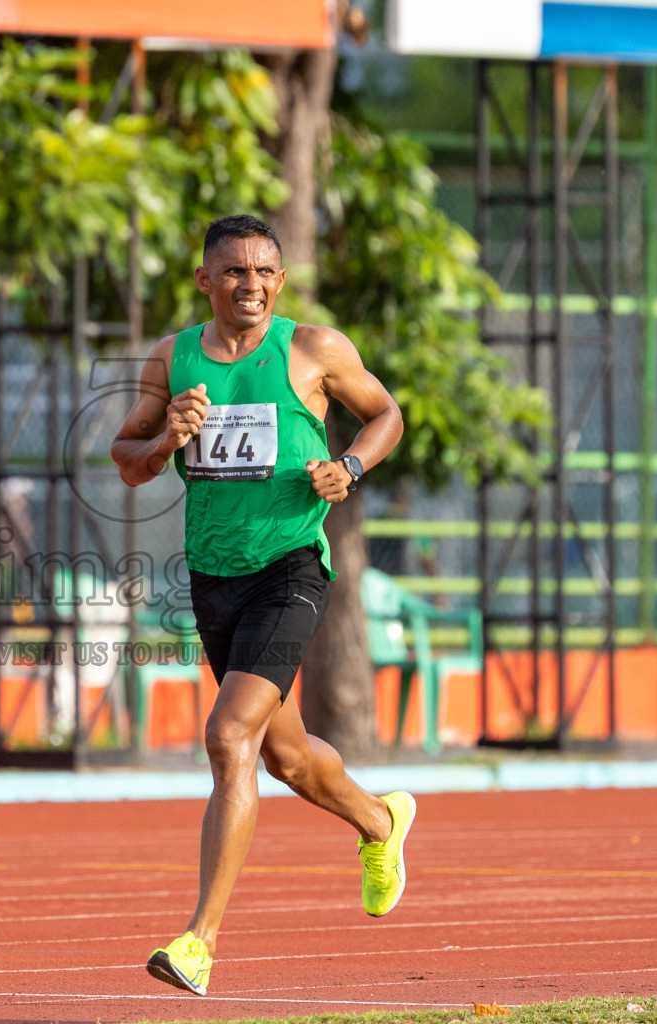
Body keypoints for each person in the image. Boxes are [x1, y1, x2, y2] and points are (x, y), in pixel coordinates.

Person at [110, 214, 416, 996]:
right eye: (235, 272)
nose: (252, 285)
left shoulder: (315, 349)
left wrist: (348, 464)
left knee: (228, 735)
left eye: (265, 273)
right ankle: (381, 821)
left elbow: (387, 414)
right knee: (284, 756)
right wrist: (165, 439)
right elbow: (129, 463)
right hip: (215, 577)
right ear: (205, 280)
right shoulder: (172, 357)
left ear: (281, 281)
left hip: (290, 568)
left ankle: (198, 942)